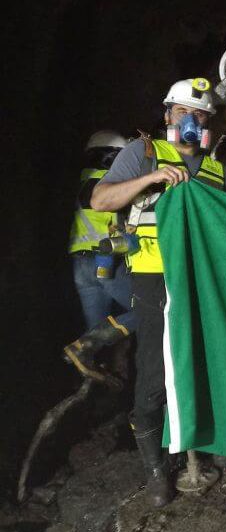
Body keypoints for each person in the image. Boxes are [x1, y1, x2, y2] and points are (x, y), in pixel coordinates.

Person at [91, 75, 226, 507]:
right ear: (167, 117)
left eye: (201, 116)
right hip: (155, 280)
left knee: (217, 361)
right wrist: (151, 178)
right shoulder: (142, 154)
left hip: (205, 280)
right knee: (156, 374)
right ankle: (156, 469)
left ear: (210, 126)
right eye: (183, 113)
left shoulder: (216, 169)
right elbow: (101, 200)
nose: (192, 122)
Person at [63, 131, 137, 382]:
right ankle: (88, 348)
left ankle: (94, 378)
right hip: (104, 262)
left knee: (94, 336)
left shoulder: (84, 181)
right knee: (149, 310)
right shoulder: (106, 185)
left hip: (81, 266)